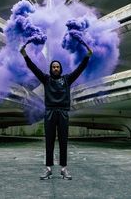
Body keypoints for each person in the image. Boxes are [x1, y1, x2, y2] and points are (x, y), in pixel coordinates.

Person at [20, 42, 93, 180]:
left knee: (63, 141)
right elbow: (33, 68)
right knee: (49, 141)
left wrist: (88, 56)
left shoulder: (67, 79)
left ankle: (64, 169)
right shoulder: (46, 79)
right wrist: (25, 55)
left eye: (57, 67)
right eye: (53, 67)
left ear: (60, 69)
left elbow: (80, 68)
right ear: (50, 69)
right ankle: (48, 169)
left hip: (63, 113)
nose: (55, 68)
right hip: (50, 112)